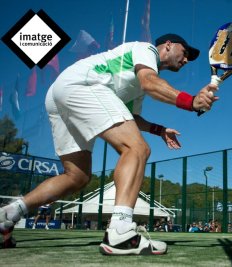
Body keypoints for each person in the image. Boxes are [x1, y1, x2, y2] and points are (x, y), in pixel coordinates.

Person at [0, 33, 218, 253]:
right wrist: (191, 102)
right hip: (84, 85)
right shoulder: (146, 50)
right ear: (169, 45)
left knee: (76, 176)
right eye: (186, 52)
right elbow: (150, 82)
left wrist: (159, 130)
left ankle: (9, 214)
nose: (187, 59)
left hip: (61, 94)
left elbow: (131, 117)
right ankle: (120, 230)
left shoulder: (138, 84)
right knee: (137, 149)